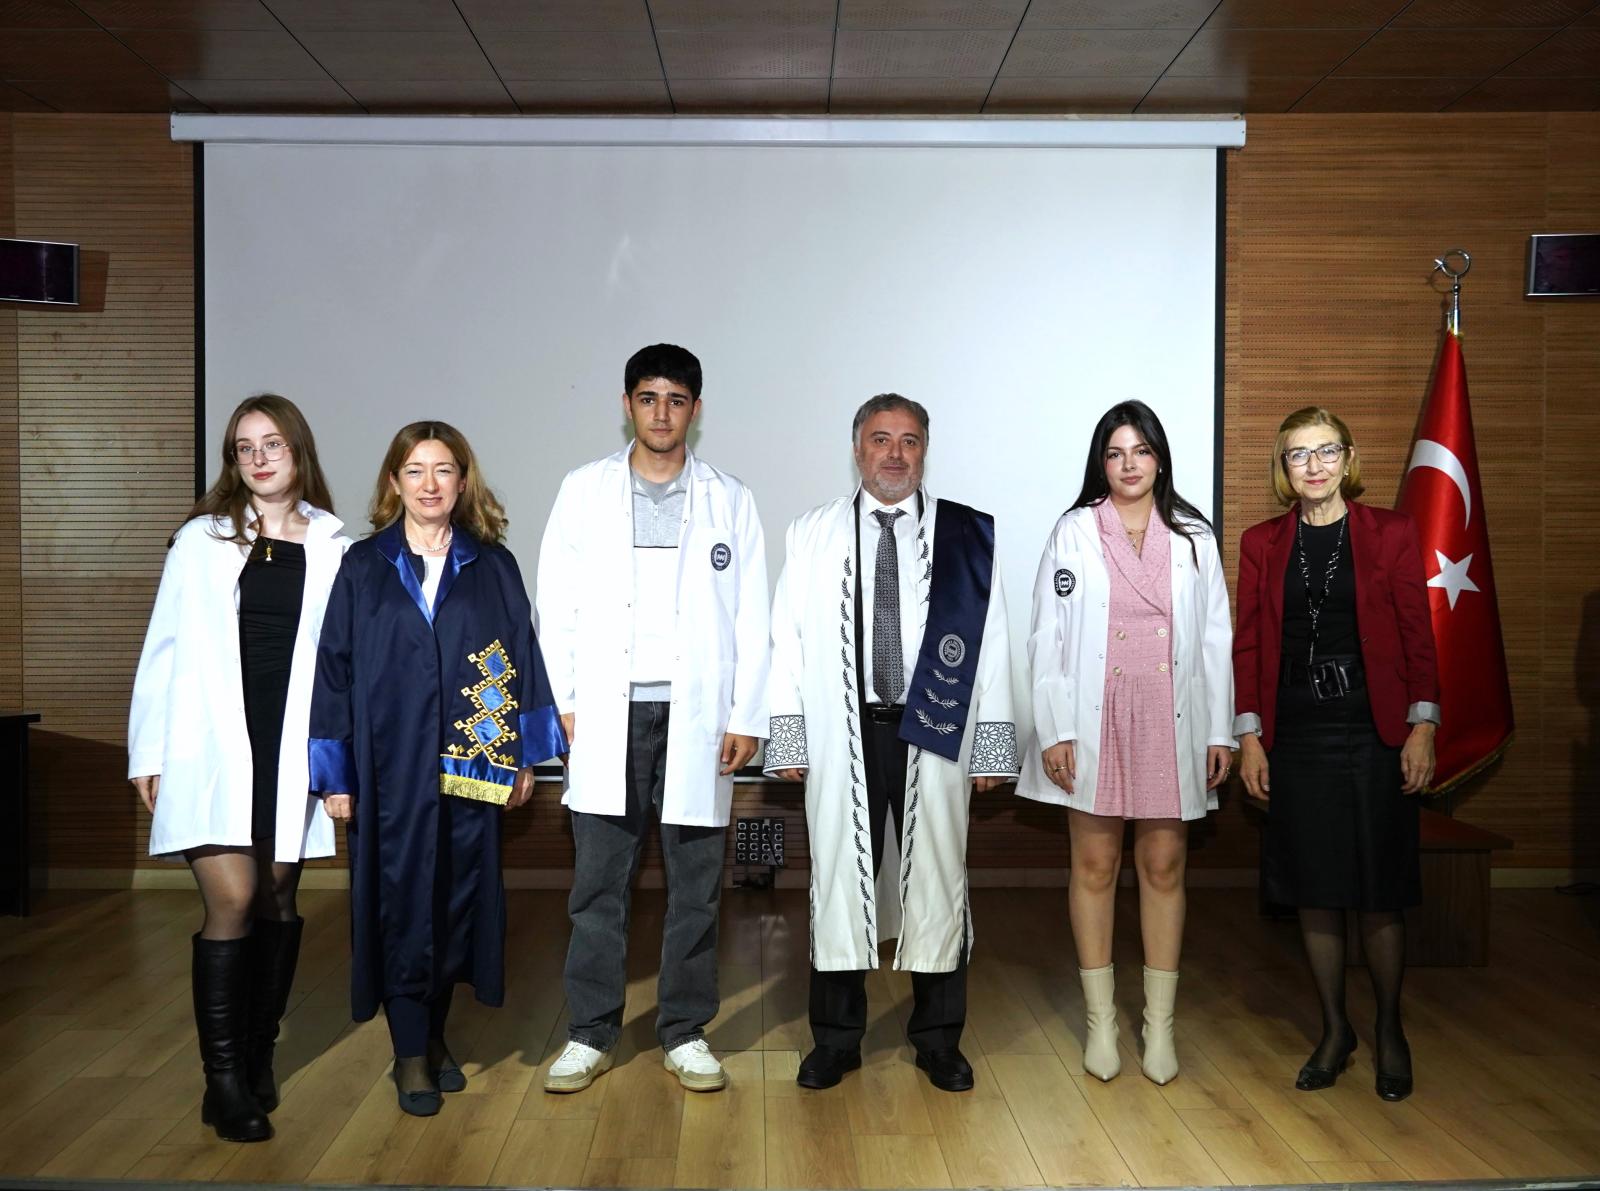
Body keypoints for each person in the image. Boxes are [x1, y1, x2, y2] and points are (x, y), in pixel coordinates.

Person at [308, 421, 566, 1117]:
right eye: (415, 470)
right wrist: (335, 774)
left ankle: (434, 1035)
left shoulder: (492, 564)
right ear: (395, 482)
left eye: (443, 469)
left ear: (462, 480)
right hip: (387, 771)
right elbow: (333, 669)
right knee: (400, 905)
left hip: (471, 765)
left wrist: (523, 756)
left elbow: (523, 654)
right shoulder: (364, 566)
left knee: (455, 902)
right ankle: (409, 1053)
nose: (430, 484)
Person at [766, 394, 1017, 1093]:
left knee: (939, 875)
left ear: (925, 450)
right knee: (838, 880)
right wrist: (788, 733)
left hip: (934, 732)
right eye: (881, 439)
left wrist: (993, 744)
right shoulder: (811, 532)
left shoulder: (966, 535)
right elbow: (786, 638)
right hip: (842, 732)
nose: (895, 453)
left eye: (909, 440)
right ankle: (836, 1039)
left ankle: (938, 1039)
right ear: (857, 449)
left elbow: (993, 639)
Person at [536, 344, 769, 1094]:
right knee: (598, 885)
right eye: (647, 398)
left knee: (696, 885)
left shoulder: (730, 498)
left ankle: (685, 1030)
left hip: (699, 719)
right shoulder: (585, 491)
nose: (661, 413)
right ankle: (589, 1031)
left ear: (695, 410)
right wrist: (564, 702)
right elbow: (556, 604)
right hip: (607, 716)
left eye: (675, 400)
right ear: (627, 404)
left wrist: (746, 714)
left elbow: (752, 615)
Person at [129, 394, 350, 1143]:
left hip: (291, 745)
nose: (258, 458)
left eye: (272, 443)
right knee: (235, 894)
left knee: (279, 896)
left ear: (298, 450)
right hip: (211, 742)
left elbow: (342, 662)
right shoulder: (201, 539)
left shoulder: (334, 544)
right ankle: (222, 1081)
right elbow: (163, 645)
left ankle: (258, 1056)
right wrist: (149, 750)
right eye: (244, 447)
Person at [1016, 400, 1234, 1086]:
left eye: (1140, 451)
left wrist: (1220, 728)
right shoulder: (1075, 530)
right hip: (1096, 714)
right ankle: (1101, 1021)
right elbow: (1047, 635)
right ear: (1101, 463)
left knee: (1164, 865)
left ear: (1159, 459)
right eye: (1115, 453)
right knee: (1095, 864)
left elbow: (1216, 638)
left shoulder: (1193, 536)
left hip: (1171, 714)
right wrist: (1056, 727)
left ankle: (1159, 1025)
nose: (1128, 464)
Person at [1234, 407, 1438, 1103]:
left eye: (1326, 451)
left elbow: (1417, 635)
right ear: (1284, 468)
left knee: (1379, 889)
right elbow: (1248, 644)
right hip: (1296, 734)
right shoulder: (1261, 543)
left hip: (1374, 730)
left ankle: (1389, 1028)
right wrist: (1250, 737)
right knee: (1314, 887)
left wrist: (1422, 725)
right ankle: (1334, 1030)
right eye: (1299, 454)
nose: (1314, 465)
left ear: (1348, 459)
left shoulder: (1392, 532)